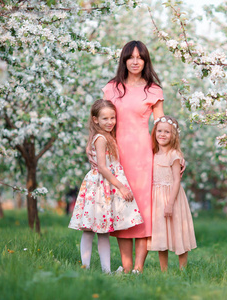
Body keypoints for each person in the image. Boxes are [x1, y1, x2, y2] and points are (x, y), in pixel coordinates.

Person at [102, 40, 164, 273]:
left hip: (144, 157)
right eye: (131, 57)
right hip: (116, 155)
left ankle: (138, 268)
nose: (135, 61)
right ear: (124, 60)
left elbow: (161, 126)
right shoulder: (112, 88)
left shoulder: (153, 90)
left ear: (145, 60)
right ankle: (126, 266)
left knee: (143, 210)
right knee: (122, 209)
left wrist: (173, 154)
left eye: (140, 57)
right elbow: (101, 120)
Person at [68, 99, 143, 273]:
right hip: (99, 187)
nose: (110, 122)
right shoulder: (101, 138)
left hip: (104, 187)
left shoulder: (108, 136)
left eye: (112, 118)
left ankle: (106, 271)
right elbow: (102, 167)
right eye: (105, 119)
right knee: (89, 230)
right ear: (95, 120)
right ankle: (85, 267)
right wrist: (121, 187)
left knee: (103, 232)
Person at [147, 116, 196, 271]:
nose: (162, 134)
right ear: (154, 132)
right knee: (162, 233)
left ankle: (183, 269)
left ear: (173, 134)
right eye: (159, 131)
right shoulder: (153, 154)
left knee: (178, 231)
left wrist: (170, 203)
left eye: (167, 132)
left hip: (172, 198)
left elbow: (176, 180)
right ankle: (164, 270)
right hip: (157, 199)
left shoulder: (174, 155)